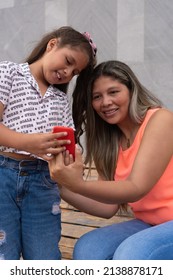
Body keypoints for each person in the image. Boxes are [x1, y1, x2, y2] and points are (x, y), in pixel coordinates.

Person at [48, 60, 173, 260]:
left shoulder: (160, 120)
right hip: (150, 223)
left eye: (113, 92)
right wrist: (61, 184)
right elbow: (107, 207)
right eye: (97, 97)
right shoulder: (111, 141)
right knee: (88, 248)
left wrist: (77, 183)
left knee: (130, 255)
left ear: (131, 91)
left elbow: (136, 187)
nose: (105, 102)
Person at [0, 26, 97, 260]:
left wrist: (74, 156)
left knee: (45, 256)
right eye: (68, 61)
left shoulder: (61, 99)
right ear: (52, 45)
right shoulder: (8, 73)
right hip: (3, 175)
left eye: (74, 72)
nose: (67, 72)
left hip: (42, 181)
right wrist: (28, 143)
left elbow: (68, 143)